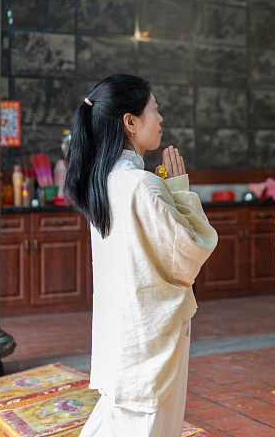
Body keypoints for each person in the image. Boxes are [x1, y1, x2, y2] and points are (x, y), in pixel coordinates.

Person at [64, 74, 217, 437]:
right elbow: (191, 250)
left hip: (122, 326)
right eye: (154, 110)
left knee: (122, 417)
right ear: (130, 122)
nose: (160, 119)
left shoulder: (106, 182)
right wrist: (179, 192)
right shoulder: (141, 185)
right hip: (149, 329)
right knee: (147, 421)